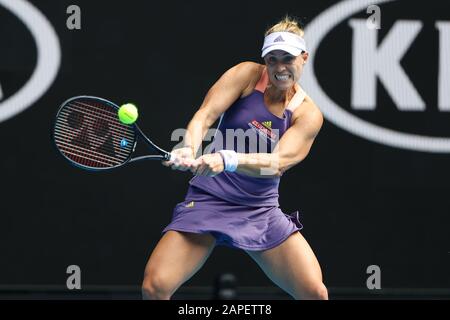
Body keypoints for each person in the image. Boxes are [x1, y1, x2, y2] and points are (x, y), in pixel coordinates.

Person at [141, 16, 327, 300]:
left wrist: (227, 159)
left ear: (303, 57)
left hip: (260, 210)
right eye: (272, 59)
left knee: (315, 293)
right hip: (208, 200)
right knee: (155, 287)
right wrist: (189, 147)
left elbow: (277, 164)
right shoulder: (246, 75)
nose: (279, 68)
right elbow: (206, 114)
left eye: (287, 59)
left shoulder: (307, 115)